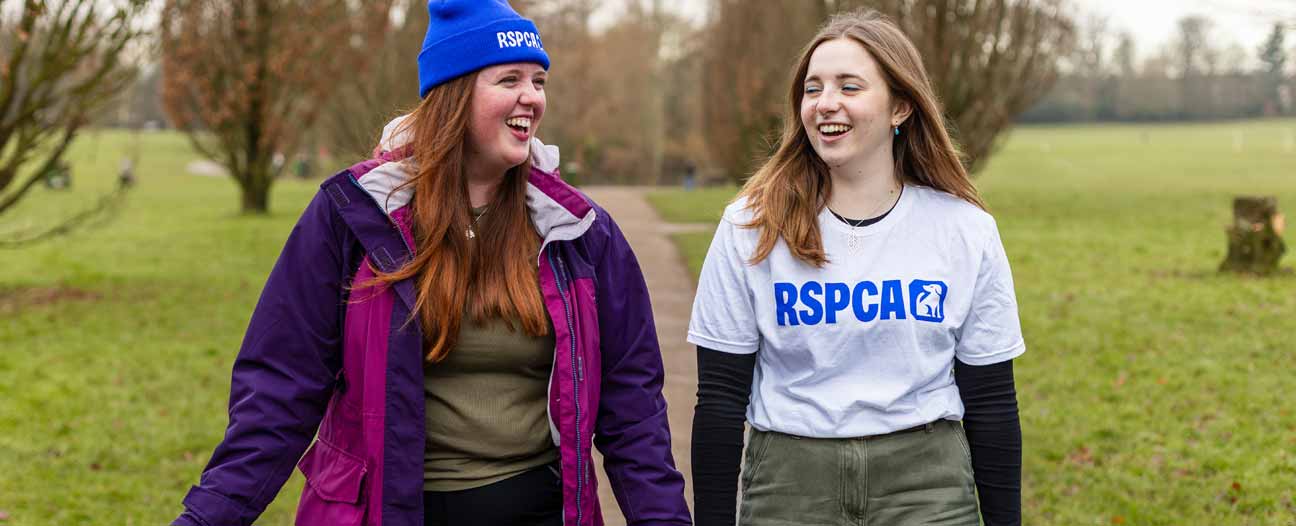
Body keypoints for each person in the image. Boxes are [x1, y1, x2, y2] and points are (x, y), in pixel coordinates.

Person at [171, 1, 691, 525]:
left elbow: (635, 412)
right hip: (391, 512)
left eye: (539, 80)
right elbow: (280, 389)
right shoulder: (356, 217)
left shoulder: (578, 232)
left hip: (536, 509)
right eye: (509, 79)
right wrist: (208, 517)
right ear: (455, 94)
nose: (531, 97)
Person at [688, 9, 1025, 526]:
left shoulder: (963, 230)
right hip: (789, 487)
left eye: (850, 87)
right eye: (813, 88)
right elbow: (719, 399)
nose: (826, 104)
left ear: (901, 107)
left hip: (927, 487)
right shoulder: (751, 228)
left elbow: (993, 402)